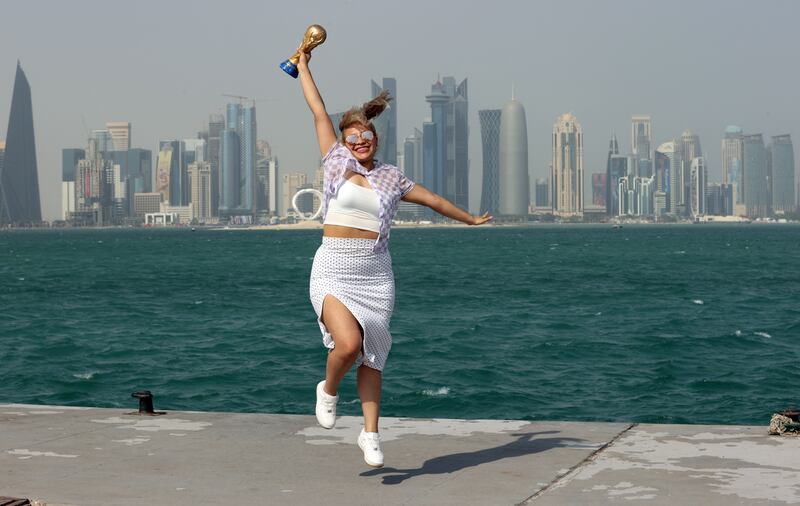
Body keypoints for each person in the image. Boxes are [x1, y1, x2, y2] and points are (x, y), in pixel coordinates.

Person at [297, 49, 491, 468]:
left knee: (373, 355)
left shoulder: (392, 176)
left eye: (365, 136)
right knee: (347, 345)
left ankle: (370, 434)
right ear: (344, 141)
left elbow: (434, 200)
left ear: (375, 140)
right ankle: (328, 389)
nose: (359, 141)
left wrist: (470, 218)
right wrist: (305, 68)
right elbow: (317, 110)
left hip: (375, 273)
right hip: (333, 267)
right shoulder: (335, 162)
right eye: (352, 137)